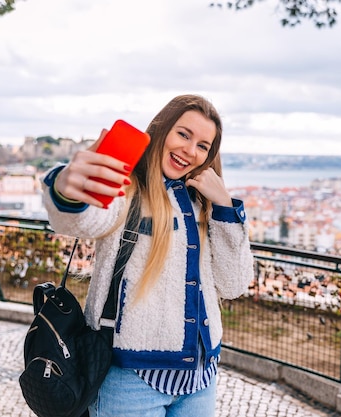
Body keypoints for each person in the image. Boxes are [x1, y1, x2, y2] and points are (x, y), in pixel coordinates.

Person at [41, 94, 254, 417]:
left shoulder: (204, 202)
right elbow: (82, 219)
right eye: (183, 134)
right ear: (161, 129)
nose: (190, 150)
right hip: (130, 377)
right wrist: (66, 190)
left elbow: (235, 283)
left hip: (200, 376)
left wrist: (224, 206)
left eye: (203, 145)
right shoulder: (126, 190)